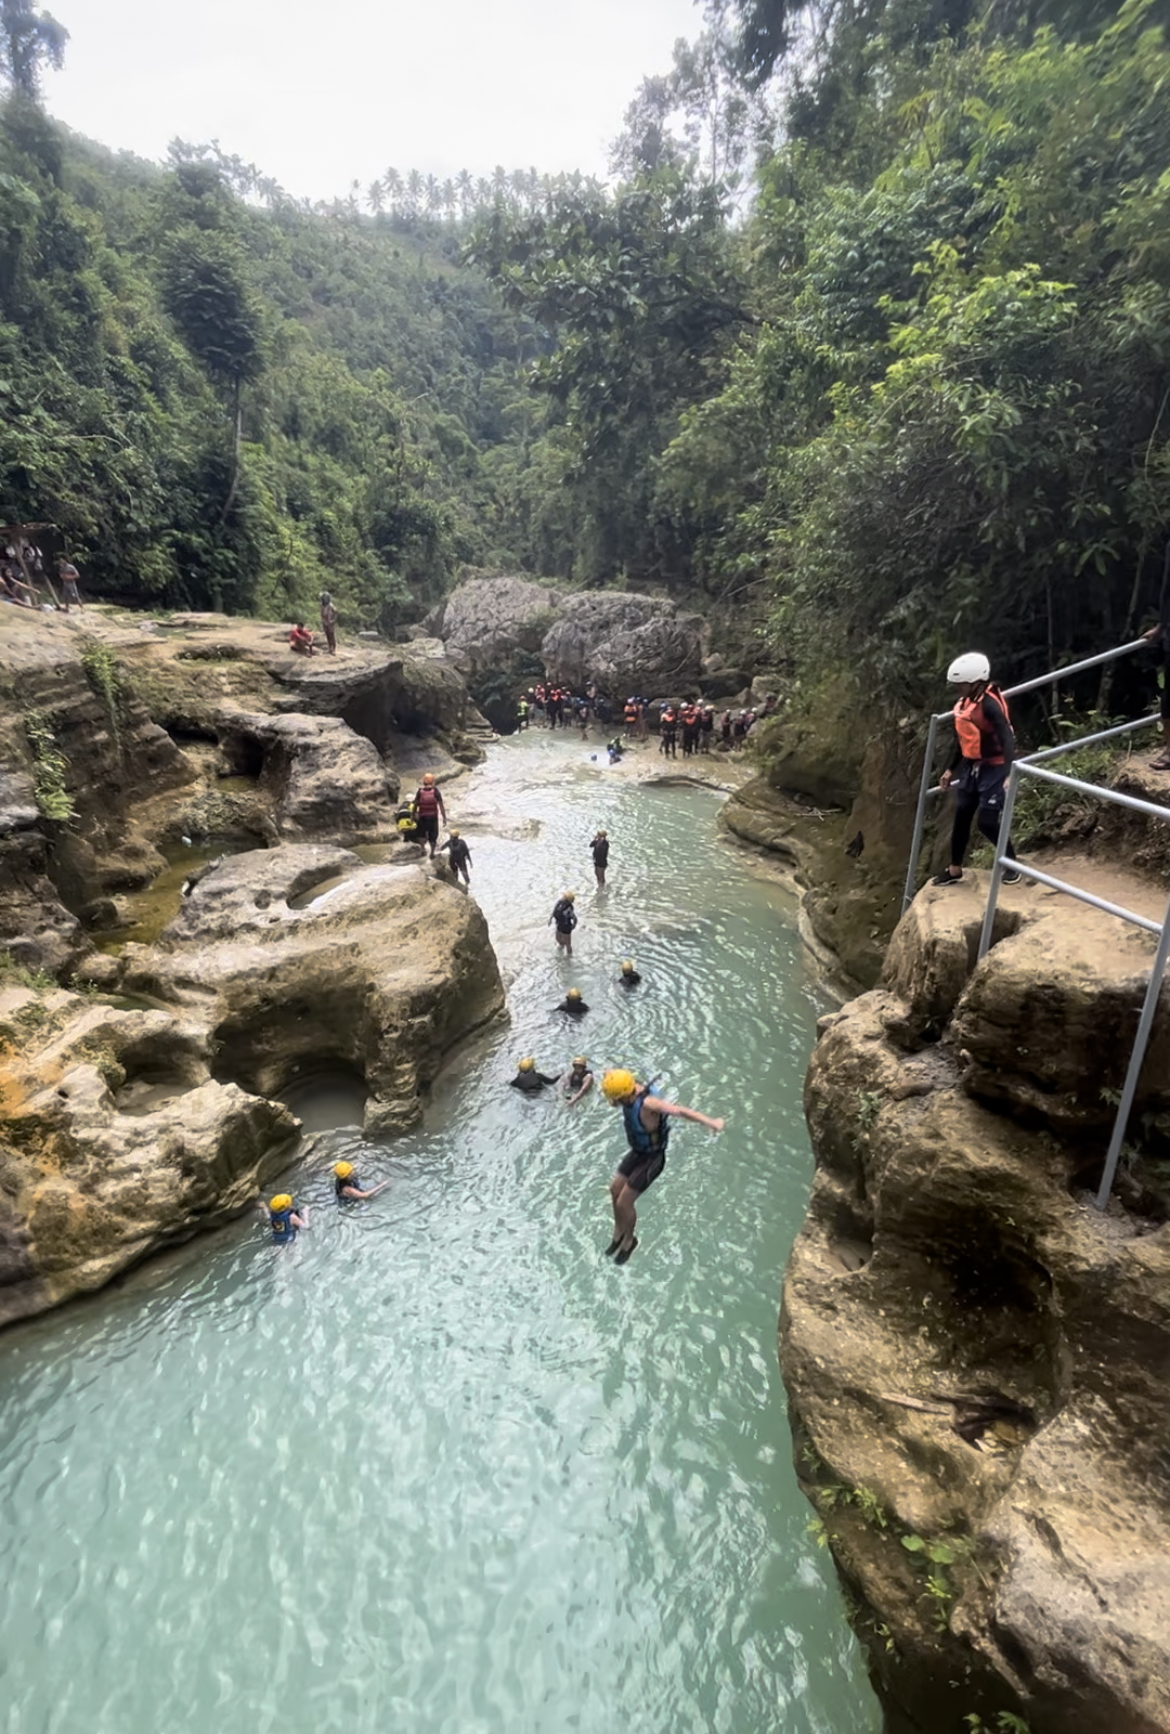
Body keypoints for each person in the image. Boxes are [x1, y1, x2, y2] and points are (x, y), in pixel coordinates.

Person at [600, 1070, 725, 1265]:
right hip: (638, 1152)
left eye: (617, 1099)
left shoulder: (650, 1104)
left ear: (626, 1094)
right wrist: (608, 1074)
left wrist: (711, 1122)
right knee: (614, 1189)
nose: (614, 1103)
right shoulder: (629, 1088)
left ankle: (629, 1240)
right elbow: (619, 1078)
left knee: (625, 1202)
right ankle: (618, 1229)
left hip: (653, 1158)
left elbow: (681, 1111)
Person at [932, 652, 1021, 887]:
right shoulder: (965, 704)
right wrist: (950, 770)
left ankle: (1011, 863)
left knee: (986, 822)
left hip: (995, 767)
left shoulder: (990, 705)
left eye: (961, 685)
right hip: (973, 767)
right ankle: (954, 869)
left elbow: (1006, 738)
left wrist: (1011, 773)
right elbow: (963, 741)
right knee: (961, 815)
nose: (958, 689)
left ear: (976, 682)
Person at [413, 773, 446, 859]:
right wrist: (444, 818)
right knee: (433, 835)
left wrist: (413, 814)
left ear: (424, 782)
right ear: (433, 782)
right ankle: (432, 852)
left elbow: (415, 804)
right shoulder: (436, 791)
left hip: (422, 816)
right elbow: (441, 806)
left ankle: (423, 848)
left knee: (421, 833)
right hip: (433, 817)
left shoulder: (420, 791)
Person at [549, 889, 577, 955]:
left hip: (566, 926)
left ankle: (569, 956)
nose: (562, 897)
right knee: (558, 938)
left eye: (563, 896)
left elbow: (574, 918)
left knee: (568, 944)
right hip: (559, 924)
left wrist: (574, 925)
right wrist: (550, 919)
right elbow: (554, 911)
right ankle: (561, 946)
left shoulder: (569, 908)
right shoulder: (559, 903)